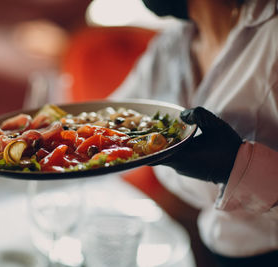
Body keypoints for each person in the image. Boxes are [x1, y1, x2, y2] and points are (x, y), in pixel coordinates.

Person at [110, 0, 278, 266]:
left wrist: (238, 166)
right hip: (208, 250)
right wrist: (39, 132)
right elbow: (105, 122)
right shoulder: (170, 47)